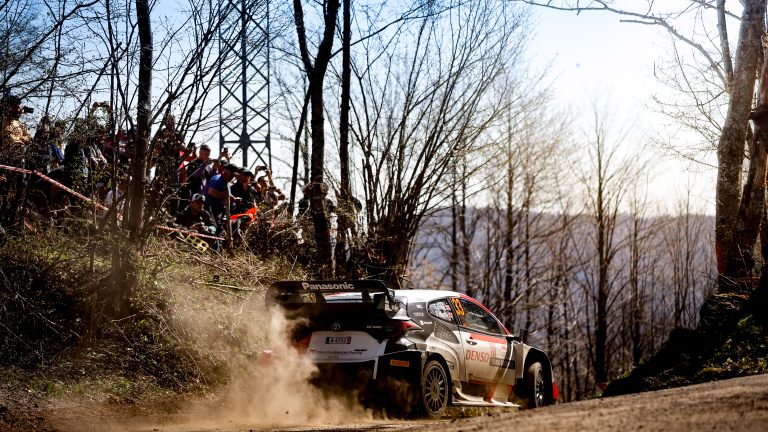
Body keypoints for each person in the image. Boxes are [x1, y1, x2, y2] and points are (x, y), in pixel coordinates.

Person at [204, 162, 238, 228]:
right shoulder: (218, 179)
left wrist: (232, 199)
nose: (232, 177)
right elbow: (211, 191)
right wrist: (227, 196)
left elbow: (226, 195)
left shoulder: (226, 182)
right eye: (232, 174)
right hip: (211, 209)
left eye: (234, 175)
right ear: (226, 171)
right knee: (213, 227)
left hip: (219, 211)